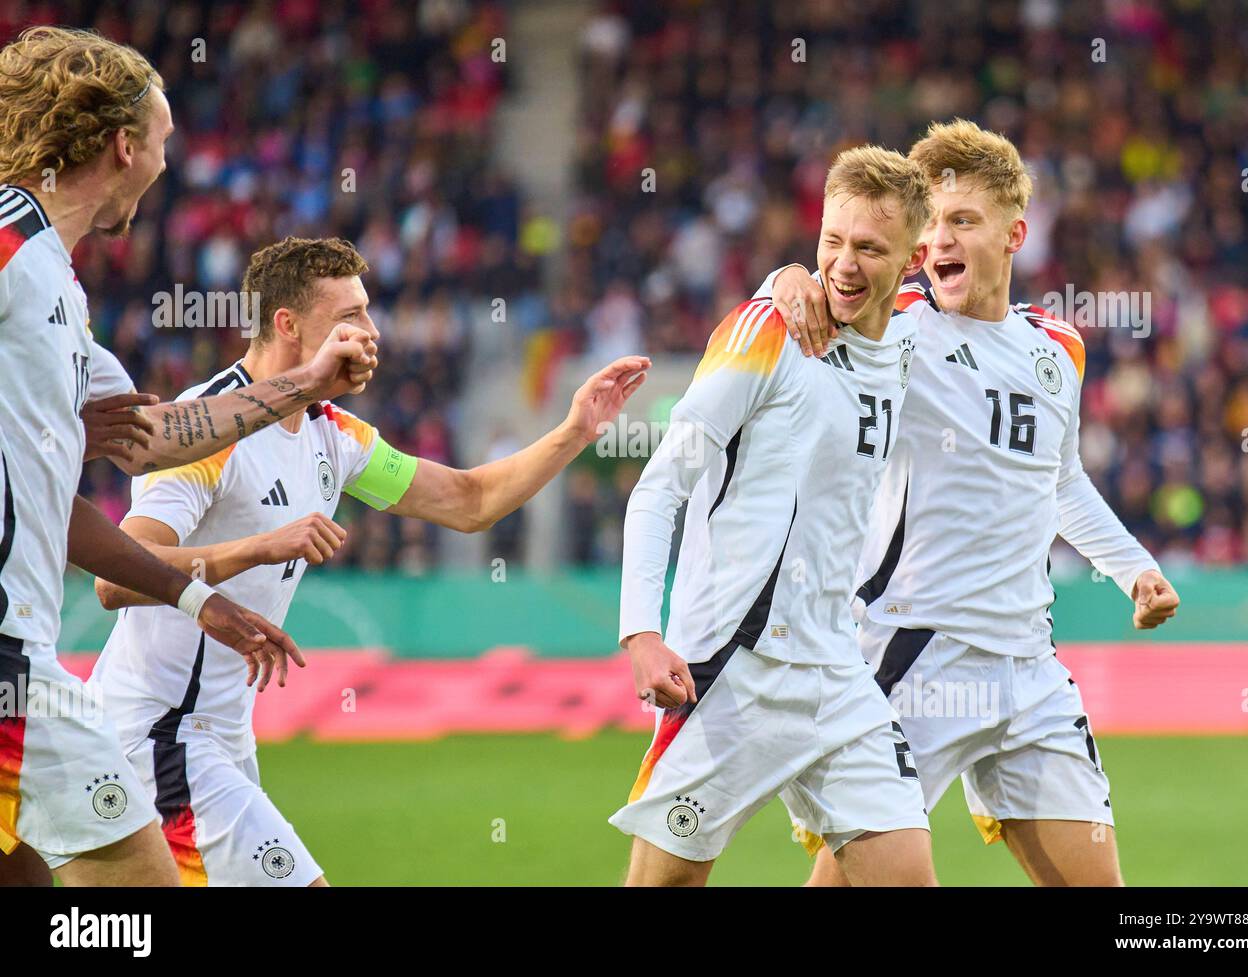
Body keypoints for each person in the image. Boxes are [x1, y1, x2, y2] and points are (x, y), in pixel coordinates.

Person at [88, 236, 650, 886]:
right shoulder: (206, 429)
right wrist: (258, 547)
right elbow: (119, 573)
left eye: (368, 311)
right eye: (349, 316)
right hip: (161, 731)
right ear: (288, 325)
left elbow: (470, 503)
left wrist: (575, 429)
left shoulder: (335, 432)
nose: (372, 331)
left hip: (222, 735)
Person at [755, 119, 1179, 886]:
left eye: (962, 220)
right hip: (918, 653)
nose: (938, 240)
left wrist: (1134, 569)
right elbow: (813, 298)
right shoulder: (897, 327)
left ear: (1014, 233)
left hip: (1030, 667)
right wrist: (785, 279)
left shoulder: (1059, 349)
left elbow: (1060, 482)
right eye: (930, 224)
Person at [0, 27, 376, 885]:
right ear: (123, 146)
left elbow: (160, 437)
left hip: (25, 649)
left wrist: (307, 378)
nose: (170, 165)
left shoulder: (60, 286)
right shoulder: (10, 245)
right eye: (164, 141)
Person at [611, 145, 937, 886]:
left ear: (912, 259)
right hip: (732, 668)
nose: (843, 265)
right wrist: (641, 631)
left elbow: (972, 295)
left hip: (836, 670)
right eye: (831, 242)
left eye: (869, 249)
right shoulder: (770, 331)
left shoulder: (913, 334)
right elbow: (661, 483)